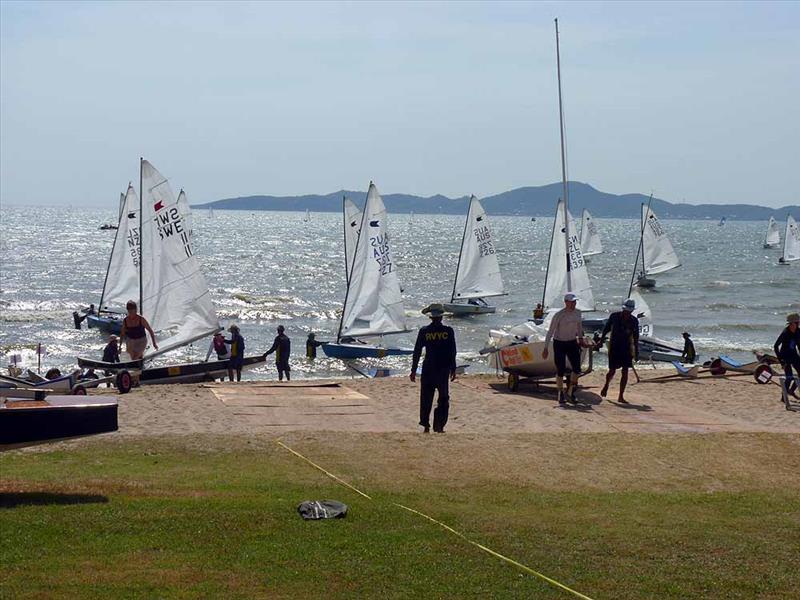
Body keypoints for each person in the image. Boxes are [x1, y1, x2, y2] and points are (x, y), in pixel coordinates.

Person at [410, 303, 457, 433]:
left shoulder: (425, 331)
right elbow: (452, 351)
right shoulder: (448, 331)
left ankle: (426, 425)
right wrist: (453, 368)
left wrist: (413, 370)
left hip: (429, 369)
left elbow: (417, 351)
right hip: (443, 369)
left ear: (430, 317)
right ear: (441, 317)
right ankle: (439, 425)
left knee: (426, 398)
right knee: (443, 398)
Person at [542, 293, 583, 405]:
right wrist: (545, 348)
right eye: (572, 302)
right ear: (566, 302)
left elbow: (579, 327)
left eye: (575, 302)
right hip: (559, 343)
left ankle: (570, 392)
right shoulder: (559, 315)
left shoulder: (578, 313)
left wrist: (581, 338)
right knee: (560, 368)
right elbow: (550, 331)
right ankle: (560, 392)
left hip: (572, 342)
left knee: (577, 369)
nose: (574, 304)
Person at [598, 298, 640, 404]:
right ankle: (606, 385)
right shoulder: (614, 317)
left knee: (625, 371)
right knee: (612, 371)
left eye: (629, 311)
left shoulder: (634, 321)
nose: (627, 313)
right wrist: (601, 341)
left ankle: (621, 395)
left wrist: (636, 352)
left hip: (626, 348)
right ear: (623, 309)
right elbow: (606, 329)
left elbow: (636, 337)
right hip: (614, 347)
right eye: (626, 310)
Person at [774, 312, 800, 399]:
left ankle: (791, 390)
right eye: (797, 322)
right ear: (791, 323)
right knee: (789, 377)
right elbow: (776, 346)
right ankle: (783, 397)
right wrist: (780, 360)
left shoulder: (798, 332)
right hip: (785, 357)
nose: (798, 324)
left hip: (794, 356)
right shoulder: (785, 333)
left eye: (798, 322)